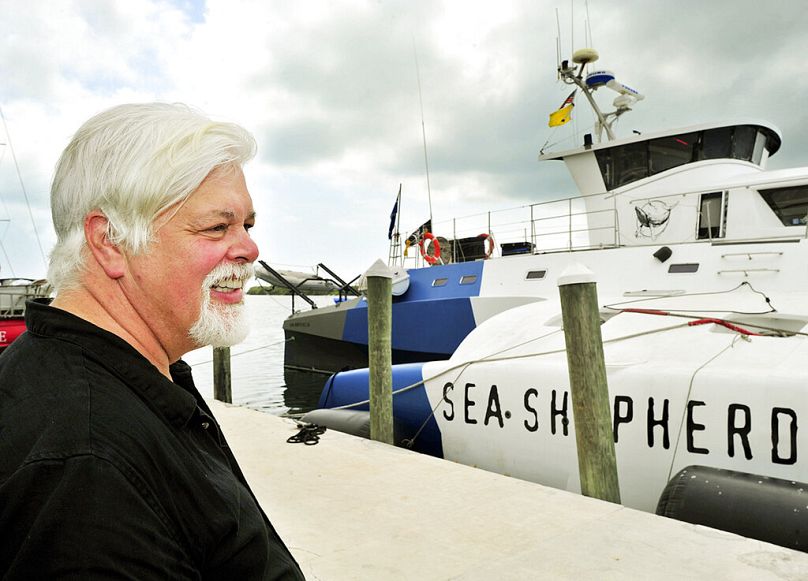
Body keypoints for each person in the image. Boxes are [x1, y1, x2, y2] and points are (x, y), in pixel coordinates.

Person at [0, 103, 305, 580]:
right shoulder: (87, 468)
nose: (249, 248)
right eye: (217, 227)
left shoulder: (136, 373)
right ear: (111, 241)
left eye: (247, 224)